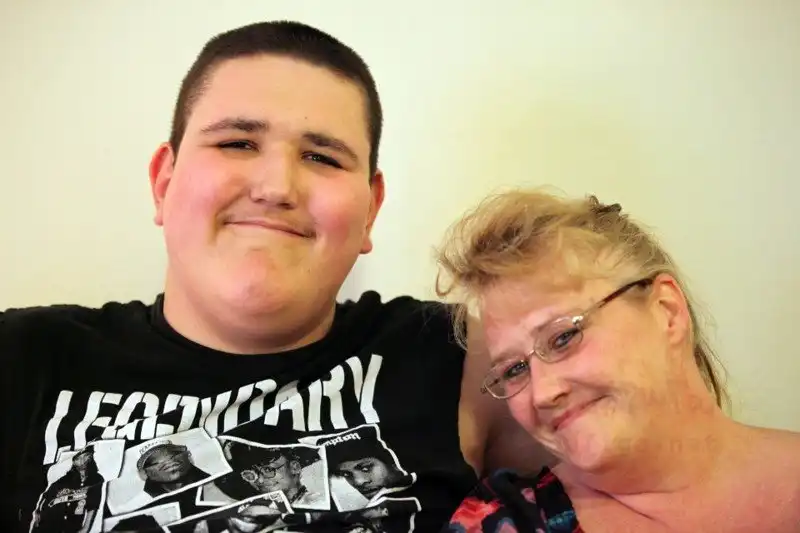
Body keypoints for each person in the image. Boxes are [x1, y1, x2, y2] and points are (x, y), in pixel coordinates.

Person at [0, 20, 549, 533]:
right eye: (236, 143)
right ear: (164, 183)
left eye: (322, 157)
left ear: (370, 210)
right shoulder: (23, 357)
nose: (277, 187)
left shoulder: (459, 355)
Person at [434, 189, 800, 532]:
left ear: (667, 312)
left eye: (563, 337)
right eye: (515, 369)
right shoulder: (505, 521)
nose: (543, 393)